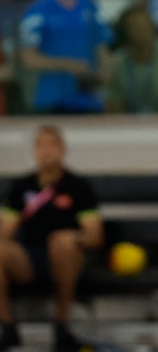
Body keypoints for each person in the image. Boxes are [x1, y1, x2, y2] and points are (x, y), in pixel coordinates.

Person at [0, 125, 104, 351]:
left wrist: (73, 237)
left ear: (62, 150)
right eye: (40, 145)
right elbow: (5, 232)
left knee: (63, 246)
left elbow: (94, 235)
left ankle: (62, 326)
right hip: (28, 257)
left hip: (67, 256)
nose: (45, 151)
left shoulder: (78, 187)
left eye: (51, 145)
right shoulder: (21, 187)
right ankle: (7, 327)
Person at [19, 0, 113, 114]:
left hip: (88, 100)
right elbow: (29, 58)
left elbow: (101, 47)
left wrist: (104, 73)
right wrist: (68, 65)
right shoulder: (38, 12)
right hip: (51, 98)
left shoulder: (90, 8)